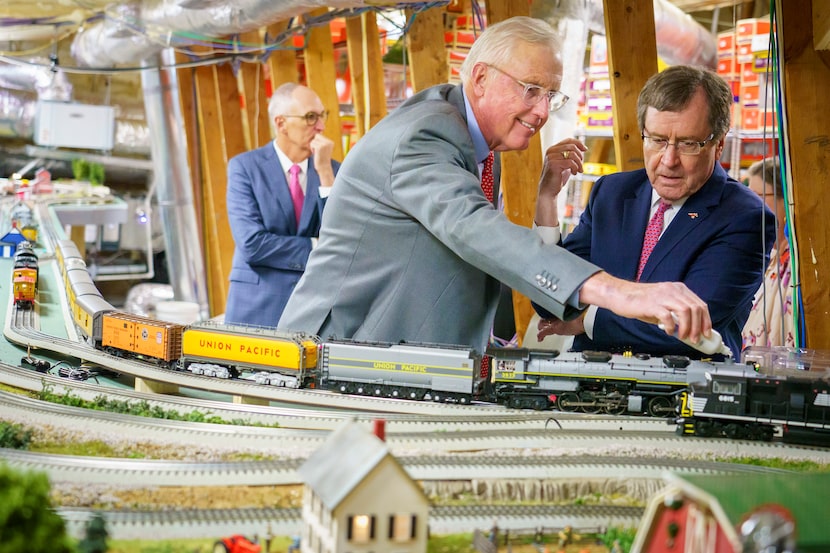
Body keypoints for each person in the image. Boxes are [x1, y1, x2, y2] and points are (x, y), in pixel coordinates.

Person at [279, 17, 713, 357]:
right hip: (339, 352)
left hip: (400, 356)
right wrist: (620, 292)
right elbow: (477, 230)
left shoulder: (482, 145)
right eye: (530, 90)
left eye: (551, 95)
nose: (542, 111)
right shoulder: (423, 136)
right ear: (481, 78)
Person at [535, 65, 775, 359]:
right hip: (591, 388)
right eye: (658, 140)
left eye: (688, 144)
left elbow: (690, 327)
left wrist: (585, 320)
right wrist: (546, 201)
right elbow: (552, 300)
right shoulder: (611, 193)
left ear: (718, 144)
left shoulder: (746, 217)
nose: (669, 160)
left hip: (684, 395)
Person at [224, 83, 339, 327]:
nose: (321, 126)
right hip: (255, 306)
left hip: (312, 310)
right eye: (310, 117)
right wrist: (315, 245)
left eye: (322, 116)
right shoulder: (245, 168)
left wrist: (325, 173)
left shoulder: (333, 170)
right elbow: (252, 244)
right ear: (281, 123)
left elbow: (340, 241)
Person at [742, 157, 795, 348]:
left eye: (758, 196)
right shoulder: (770, 257)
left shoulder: (798, 267)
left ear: (786, 200)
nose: (749, 204)